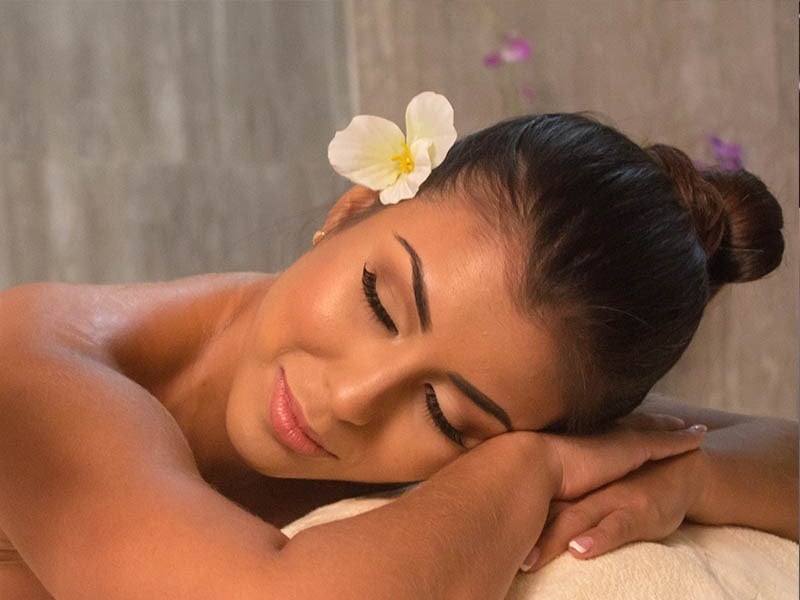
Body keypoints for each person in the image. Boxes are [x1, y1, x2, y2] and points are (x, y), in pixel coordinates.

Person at [0, 103, 796, 599]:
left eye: (442, 412)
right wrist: (531, 467)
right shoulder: (35, 367)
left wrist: (690, 473)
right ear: (354, 210)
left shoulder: (503, 404)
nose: (353, 398)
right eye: (380, 304)